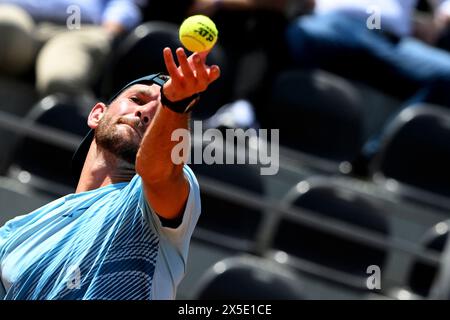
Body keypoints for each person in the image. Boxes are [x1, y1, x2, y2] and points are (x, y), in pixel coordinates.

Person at [0, 46, 221, 299]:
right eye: (138, 100)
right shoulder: (19, 232)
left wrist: (176, 106)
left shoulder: (148, 204)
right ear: (97, 114)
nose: (146, 112)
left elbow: (158, 173)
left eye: (160, 114)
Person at [0, 0, 143, 96]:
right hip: (17, 15)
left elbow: (125, 5)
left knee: (62, 81)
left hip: (79, 30)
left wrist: (111, 28)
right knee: (5, 30)